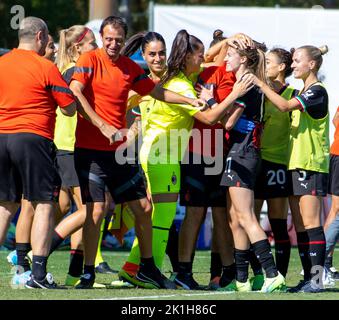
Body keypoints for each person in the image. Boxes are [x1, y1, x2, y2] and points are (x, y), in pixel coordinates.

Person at [68, 16, 206, 289]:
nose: (113, 44)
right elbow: (75, 92)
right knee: (95, 212)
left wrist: (190, 99)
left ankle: (147, 268)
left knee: (144, 207)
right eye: (108, 38)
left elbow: (157, 91)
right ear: (102, 36)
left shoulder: (130, 67)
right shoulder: (89, 60)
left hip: (120, 153)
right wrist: (101, 124)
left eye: (118, 40)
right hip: (90, 152)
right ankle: (85, 271)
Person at [114, 29, 252, 289]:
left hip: (157, 154)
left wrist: (229, 40)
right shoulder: (179, 84)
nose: (203, 59)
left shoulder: (176, 77)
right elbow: (211, 118)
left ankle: (134, 267)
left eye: (161, 53)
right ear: (187, 56)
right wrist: (234, 95)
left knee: (152, 216)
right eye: (198, 55)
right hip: (162, 156)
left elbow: (211, 57)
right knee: (163, 220)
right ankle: (148, 271)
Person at [201, 40, 286, 293]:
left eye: (230, 55)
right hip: (241, 153)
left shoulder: (246, 84)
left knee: (246, 217)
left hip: (242, 153)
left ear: (245, 60)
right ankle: (243, 279)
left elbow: (228, 123)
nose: (226, 59)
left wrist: (210, 101)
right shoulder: (247, 83)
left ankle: (272, 274)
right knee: (236, 219)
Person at [0, 16, 76, 289]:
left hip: (1, 136)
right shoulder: (45, 66)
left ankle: (28, 267)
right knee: (44, 203)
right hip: (33, 138)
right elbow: (69, 107)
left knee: (5, 206)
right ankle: (39, 276)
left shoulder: (2, 63)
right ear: (41, 36)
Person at [249, 45, 329, 293]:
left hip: (311, 164)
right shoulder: (305, 89)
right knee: (303, 227)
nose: (293, 65)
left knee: (312, 224)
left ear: (311, 65)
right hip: (295, 164)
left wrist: (261, 84)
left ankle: (317, 279)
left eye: (297, 61)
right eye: (292, 61)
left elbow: (284, 107)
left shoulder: (317, 91)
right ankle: (309, 279)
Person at [253, 48, 296, 287]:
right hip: (257, 162)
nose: (264, 65)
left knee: (277, 223)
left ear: (281, 67)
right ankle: (260, 273)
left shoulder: (292, 95)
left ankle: (279, 276)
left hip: (279, 163)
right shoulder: (259, 93)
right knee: (250, 220)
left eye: (268, 62)